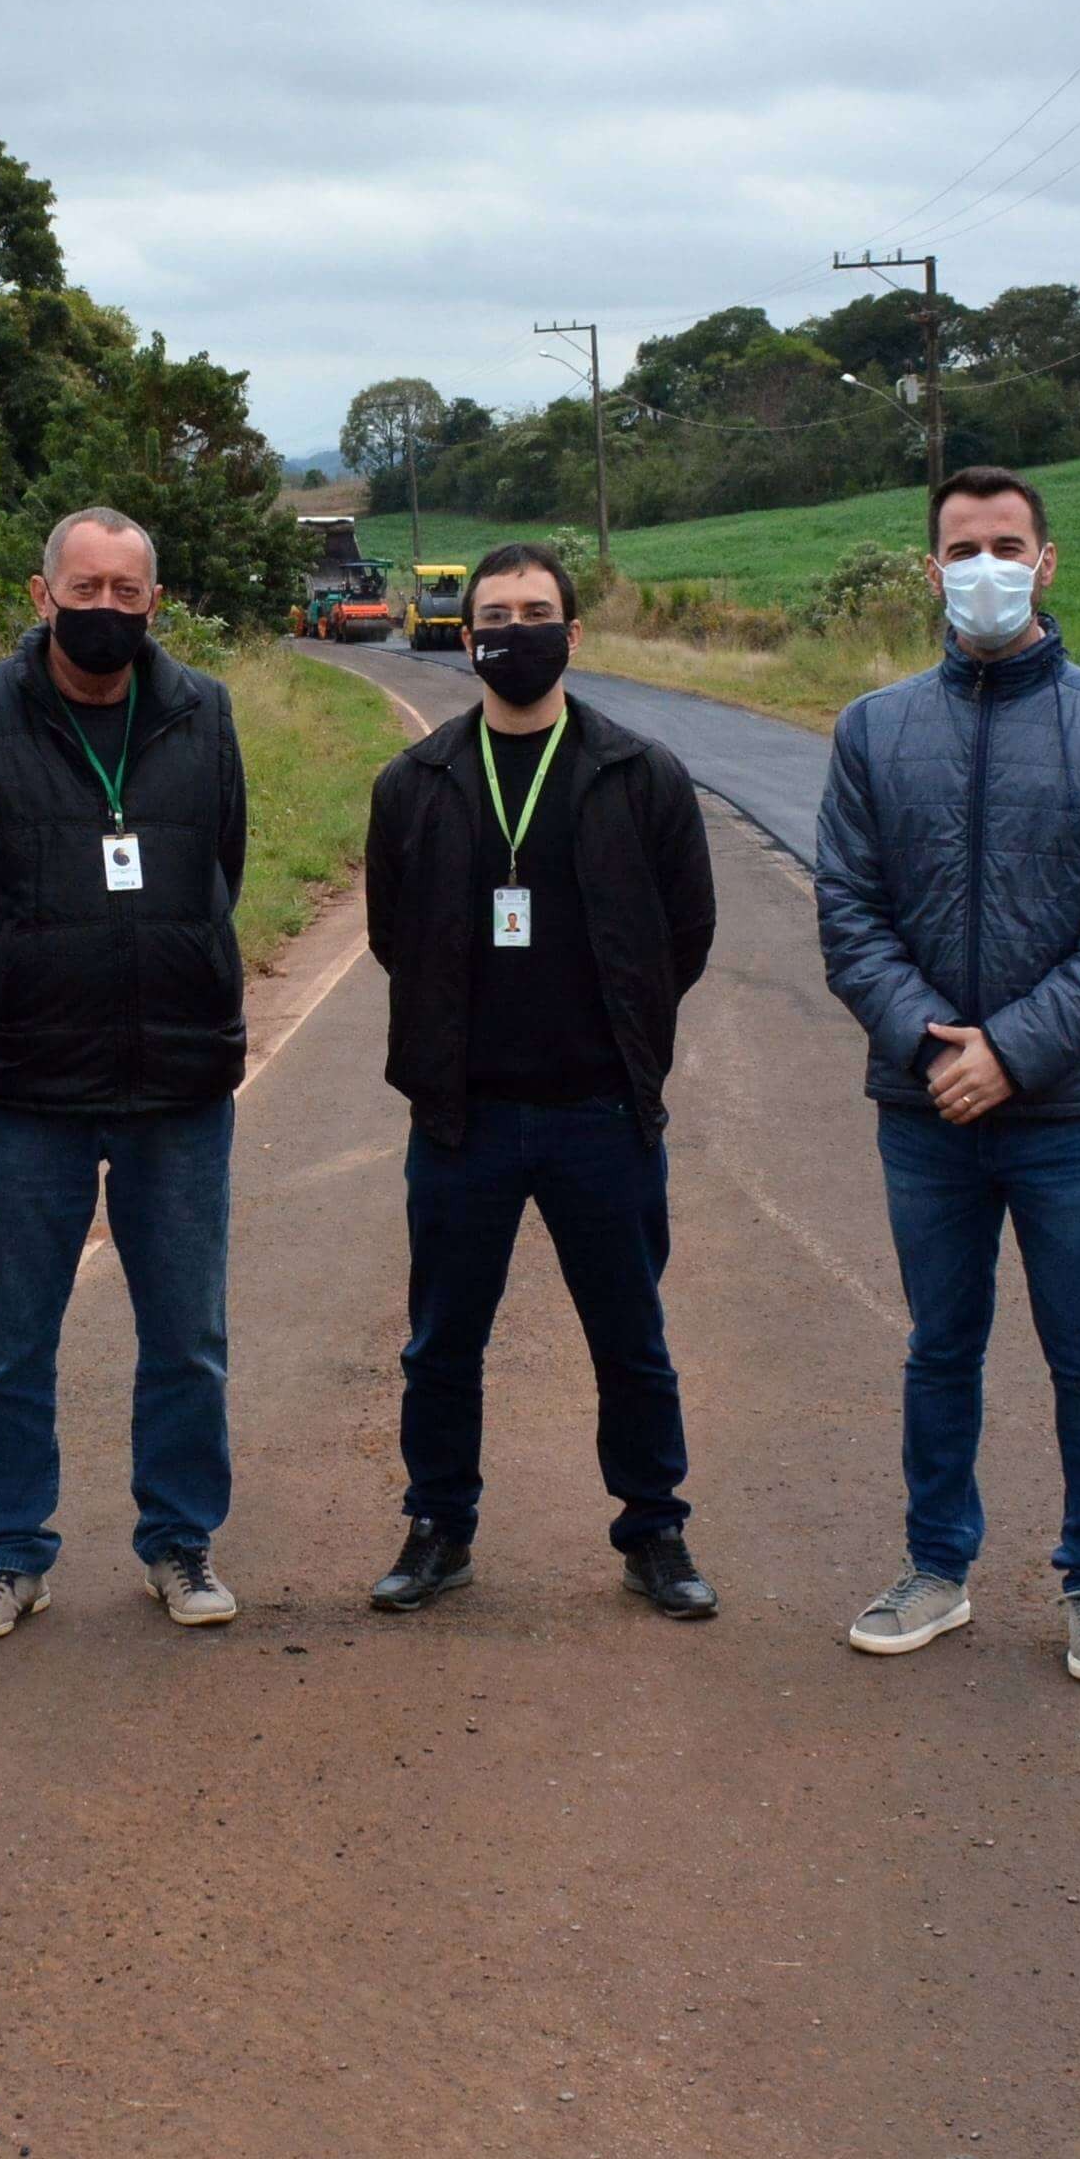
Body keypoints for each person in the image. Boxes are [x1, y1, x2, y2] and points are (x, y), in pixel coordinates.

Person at [813, 466, 1080, 1685]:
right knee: (940, 1345)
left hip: (1070, 1109)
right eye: (963, 547)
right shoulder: (873, 729)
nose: (986, 566)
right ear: (932, 569)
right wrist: (938, 1047)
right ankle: (936, 1568)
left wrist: (1011, 1053)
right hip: (925, 1109)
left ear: (1046, 559)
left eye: (1006, 544)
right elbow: (849, 914)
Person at [360, 542, 720, 1620]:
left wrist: (628, 1043)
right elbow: (392, 934)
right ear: (467, 635)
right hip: (462, 1118)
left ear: (574, 631)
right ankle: (439, 1527)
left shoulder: (638, 772)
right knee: (442, 1341)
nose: (515, 629)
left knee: (631, 1337)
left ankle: (654, 1531)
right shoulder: (414, 782)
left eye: (537, 610)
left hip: (600, 1112)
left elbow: (685, 934)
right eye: (496, 613)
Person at [0, 507, 252, 1641]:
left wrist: (174, 962)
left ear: (154, 601)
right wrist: (22, 974)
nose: (104, 607)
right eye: (85, 586)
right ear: (41, 591)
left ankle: (179, 1543)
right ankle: (8, 1557)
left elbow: (224, 865)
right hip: (26, 1089)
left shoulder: (204, 712)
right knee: (16, 1336)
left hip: (179, 1086)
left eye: (126, 589)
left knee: (188, 1336)